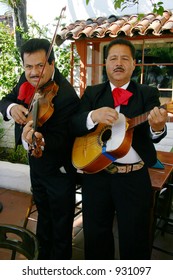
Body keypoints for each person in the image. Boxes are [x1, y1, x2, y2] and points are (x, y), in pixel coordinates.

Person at [71, 38, 168, 260]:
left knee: (135, 239)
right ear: (106, 63)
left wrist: (157, 126)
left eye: (125, 58)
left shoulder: (147, 93)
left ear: (133, 64)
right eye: (113, 58)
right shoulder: (92, 93)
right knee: (95, 237)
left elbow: (154, 134)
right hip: (96, 176)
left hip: (133, 178)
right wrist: (92, 116)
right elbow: (74, 125)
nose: (119, 63)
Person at [0, 38, 80, 259]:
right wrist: (13, 107)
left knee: (61, 226)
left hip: (59, 171)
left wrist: (39, 140)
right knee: (43, 217)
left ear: (52, 64)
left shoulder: (66, 96)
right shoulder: (24, 80)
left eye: (40, 65)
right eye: (28, 66)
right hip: (37, 165)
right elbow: (4, 101)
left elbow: (63, 139)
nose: (34, 72)